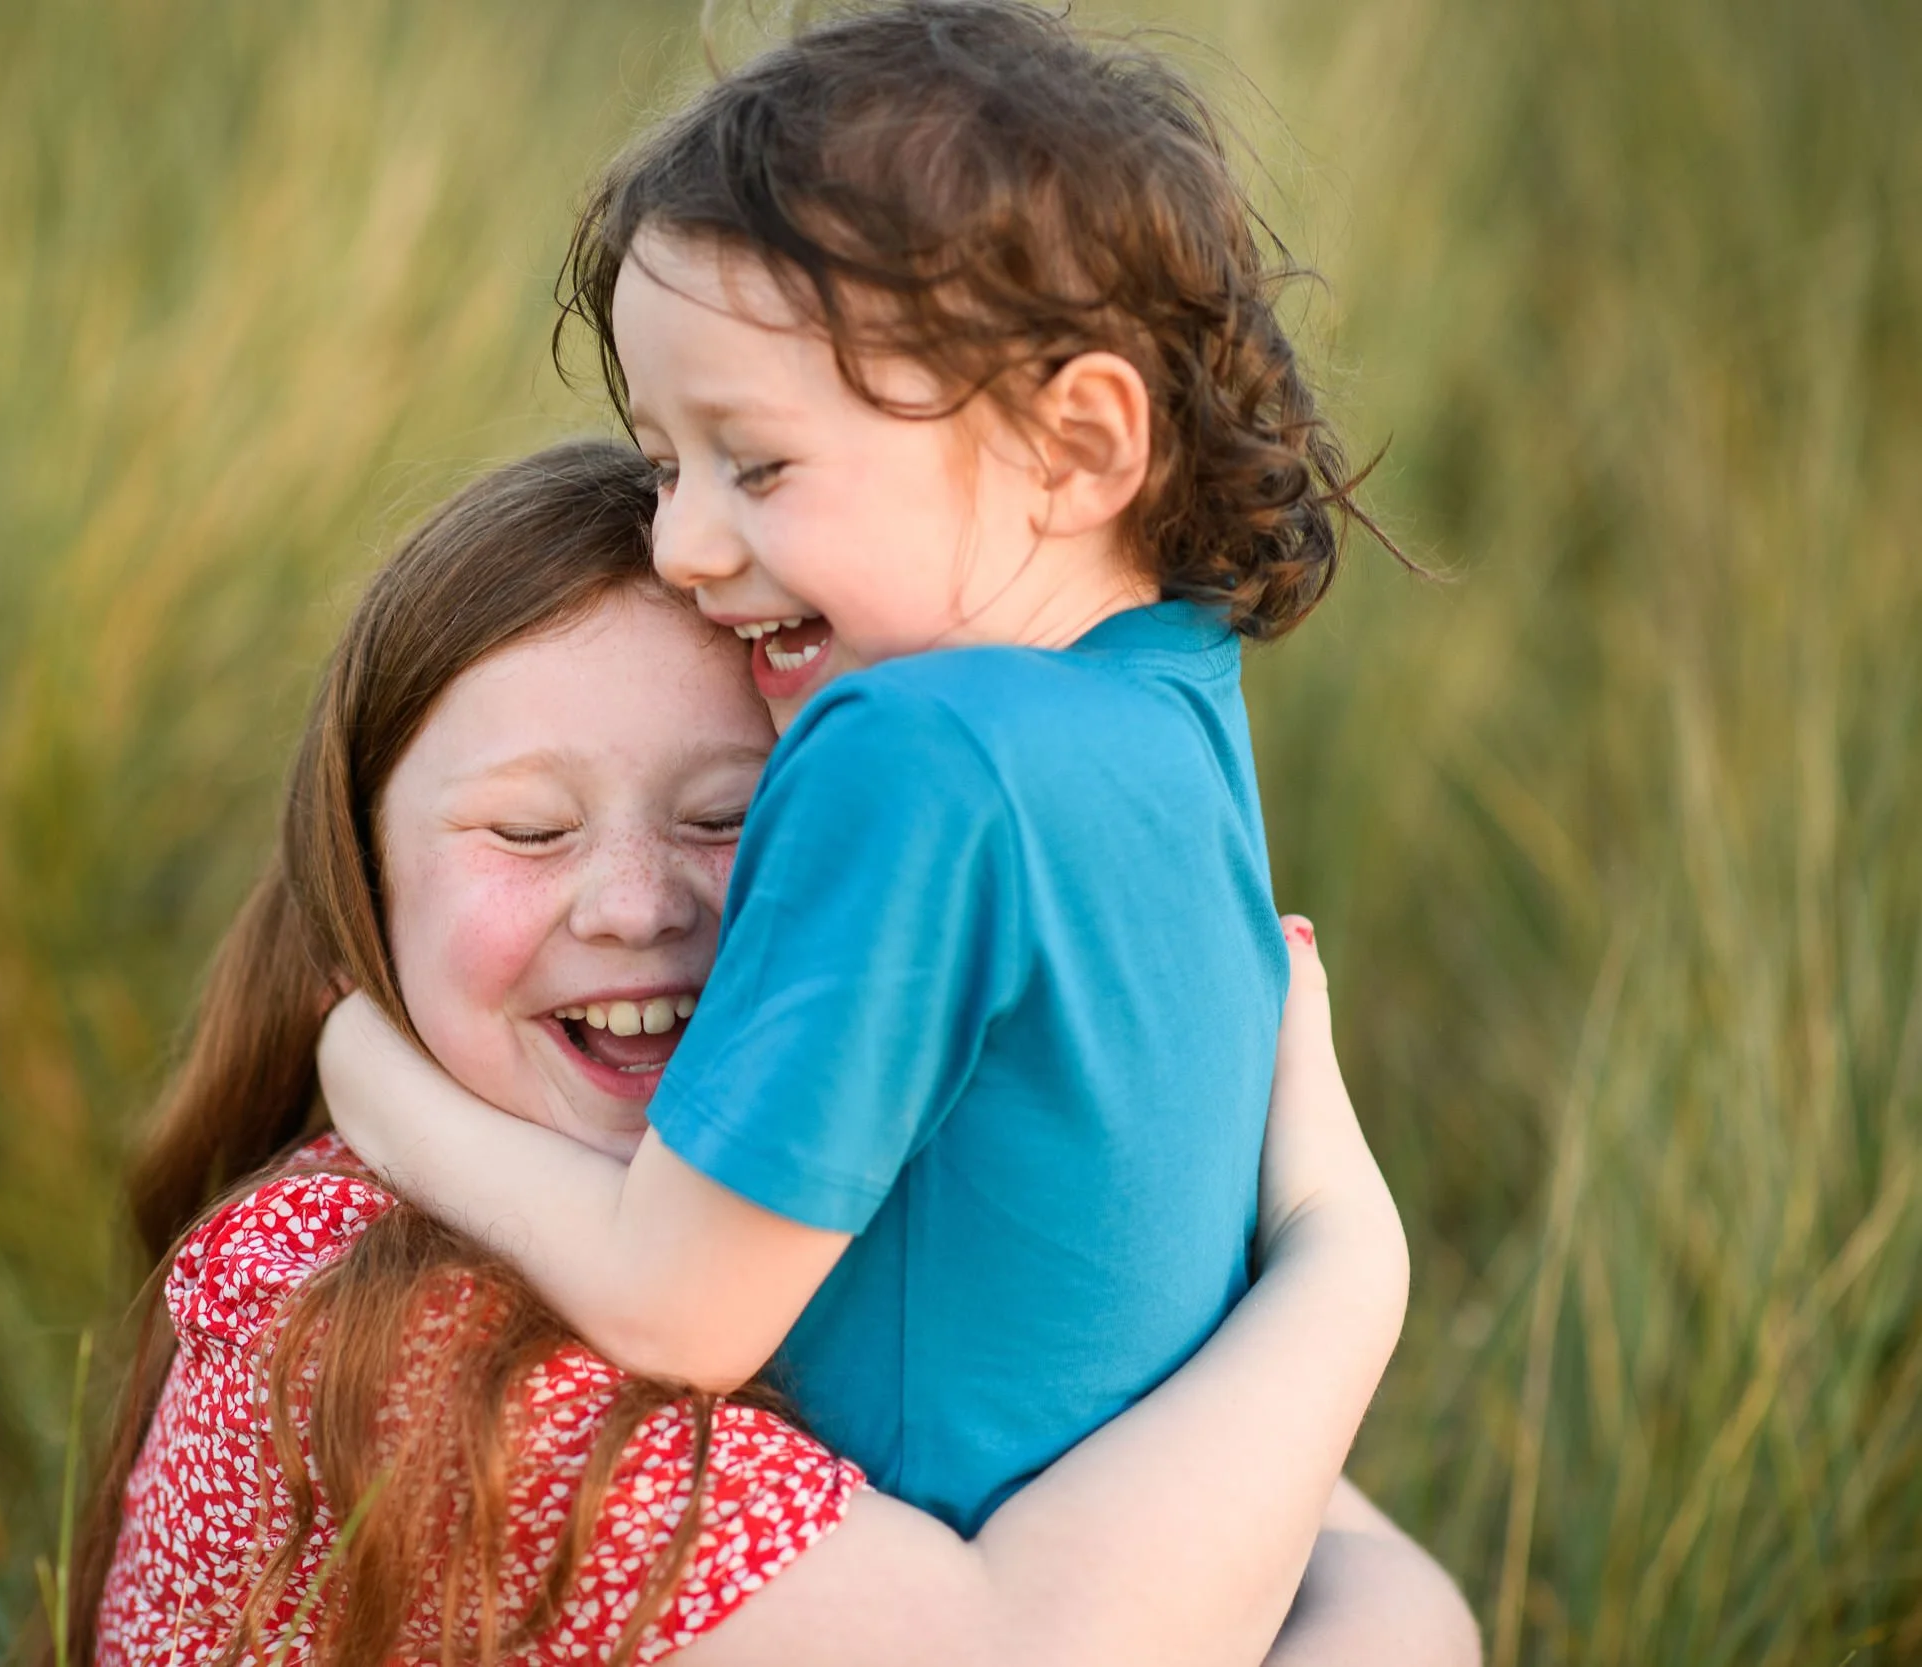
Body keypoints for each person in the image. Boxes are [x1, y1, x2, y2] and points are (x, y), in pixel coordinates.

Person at [75, 443, 1473, 1666]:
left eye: (736, 820)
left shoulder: (789, 1212)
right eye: (527, 830)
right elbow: (1040, 1646)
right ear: (361, 889)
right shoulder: (391, 1337)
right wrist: (1346, 1259)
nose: (637, 905)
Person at [324, 0, 1409, 1549]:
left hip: (937, 1587)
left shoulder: (915, 754)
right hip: (1178, 1567)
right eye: (661, 466)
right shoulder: (1175, 711)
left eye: (755, 465)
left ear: (1078, 445)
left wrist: (379, 1090)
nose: (683, 546)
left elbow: (678, 1301)